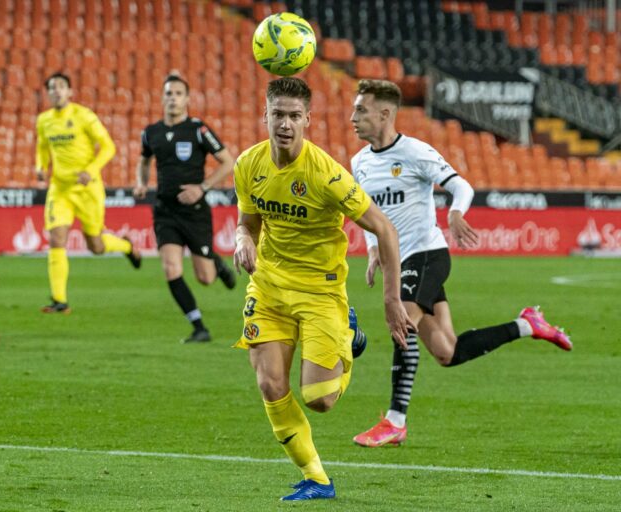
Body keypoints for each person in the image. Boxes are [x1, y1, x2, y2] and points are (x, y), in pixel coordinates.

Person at [348, 79, 572, 448]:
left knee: (401, 323)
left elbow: (461, 185)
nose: (353, 117)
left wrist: (454, 212)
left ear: (385, 113)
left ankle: (394, 421)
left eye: (361, 109)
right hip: (398, 261)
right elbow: (366, 212)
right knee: (446, 351)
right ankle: (527, 324)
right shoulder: (358, 163)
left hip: (426, 254)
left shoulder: (416, 152)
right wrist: (373, 247)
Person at [232, 77, 413, 501]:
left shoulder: (327, 174)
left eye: (295, 116)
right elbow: (248, 221)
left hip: (320, 292)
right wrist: (242, 240)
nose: (286, 124)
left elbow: (384, 229)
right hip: (269, 287)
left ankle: (349, 334)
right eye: (278, 114)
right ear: (266, 116)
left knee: (319, 399)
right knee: (270, 384)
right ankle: (317, 478)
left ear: (308, 120)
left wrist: (391, 300)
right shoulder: (248, 165)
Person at [133, 74, 237, 343]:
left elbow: (228, 162)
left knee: (206, 278)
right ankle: (199, 327)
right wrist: (141, 183)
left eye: (178, 93)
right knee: (171, 268)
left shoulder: (198, 129)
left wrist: (202, 188)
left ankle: (214, 262)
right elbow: (144, 161)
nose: (173, 98)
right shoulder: (151, 132)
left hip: (195, 212)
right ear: (162, 98)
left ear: (187, 99)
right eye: (168, 93)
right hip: (165, 210)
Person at [36, 72, 141, 314]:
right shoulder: (44, 120)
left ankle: (126, 246)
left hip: (88, 190)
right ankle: (60, 301)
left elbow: (108, 147)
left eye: (61, 87)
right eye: (52, 88)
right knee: (56, 239)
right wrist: (40, 167)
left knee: (95, 245)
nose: (56, 91)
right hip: (60, 189)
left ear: (70, 92)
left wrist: (90, 170)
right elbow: (42, 147)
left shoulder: (84, 116)